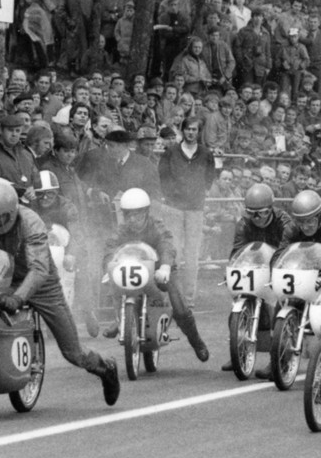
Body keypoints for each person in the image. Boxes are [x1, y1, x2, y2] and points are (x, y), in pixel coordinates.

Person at [0, 182, 120, 403]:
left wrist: (18, 298)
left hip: (43, 284)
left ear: (13, 211)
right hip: (3, 279)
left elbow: (38, 269)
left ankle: (106, 367)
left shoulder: (31, 222)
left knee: (73, 352)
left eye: (2, 217)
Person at [102, 188, 210, 362]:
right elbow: (110, 248)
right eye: (128, 215)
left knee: (179, 307)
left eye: (137, 214)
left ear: (146, 212)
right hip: (133, 270)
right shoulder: (121, 230)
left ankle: (197, 342)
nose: (132, 219)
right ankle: (121, 319)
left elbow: (166, 244)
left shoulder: (156, 226)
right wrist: (109, 267)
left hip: (160, 271)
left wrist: (165, 267)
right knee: (114, 286)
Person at [220, 184, 294, 373]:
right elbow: (238, 250)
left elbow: (288, 250)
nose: (256, 218)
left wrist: (277, 270)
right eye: (252, 213)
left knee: (278, 309)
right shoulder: (243, 224)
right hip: (255, 268)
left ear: (270, 209)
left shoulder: (285, 222)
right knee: (237, 303)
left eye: (261, 213)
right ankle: (238, 351)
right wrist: (232, 269)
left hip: (279, 267)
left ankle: (279, 359)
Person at [157, 116, 216, 307]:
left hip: (195, 209)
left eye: (194, 129)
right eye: (188, 129)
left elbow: (209, 177)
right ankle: (170, 296)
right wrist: (172, 194)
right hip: (173, 208)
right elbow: (162, 176)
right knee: (173, 253)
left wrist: (200, 193)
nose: (191, 133)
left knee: (192, 255)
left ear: (199, 132)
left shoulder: (206, 153)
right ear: (182, 131)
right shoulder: (171, 152)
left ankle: (188, 298)